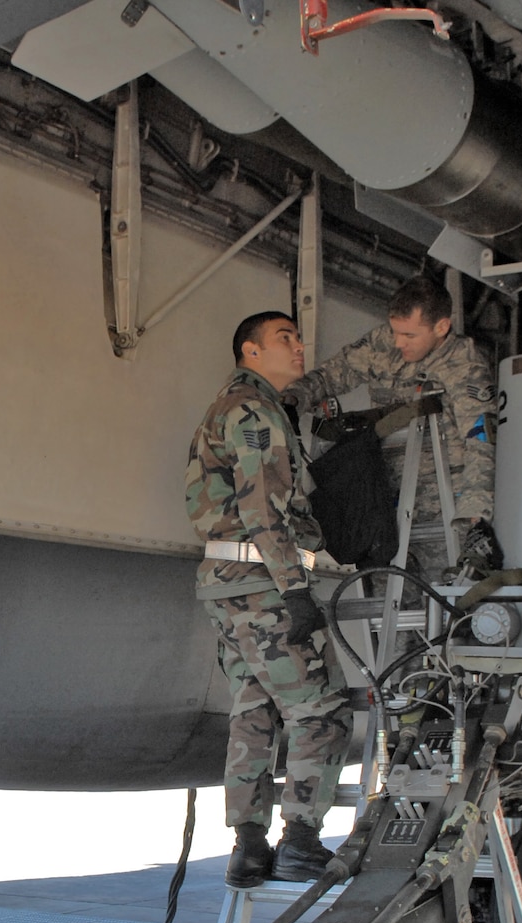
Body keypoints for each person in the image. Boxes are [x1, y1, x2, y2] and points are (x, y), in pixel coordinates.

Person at [187, 311, 354, 888]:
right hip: (263, 586)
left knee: (254, 711)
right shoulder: (254, 412)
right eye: (285, 338)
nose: (299, 346)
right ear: (250, 352)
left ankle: (249, 847)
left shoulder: (238, 407)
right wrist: (296, 588)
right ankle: (302, 839)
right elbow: (263, 509)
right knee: (322, 708)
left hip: (231, 586)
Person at [285, 273, 498, 573]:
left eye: (409, 335)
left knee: (439, 601)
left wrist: (475, 517)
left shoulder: (465, 366)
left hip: (440, 508)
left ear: (442, 327)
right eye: (395, 331)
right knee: (387, 599)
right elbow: (331, 375)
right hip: (382, 501)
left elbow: (480, 441)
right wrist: (294, 399)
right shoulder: (381, 344)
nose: (398, 343)